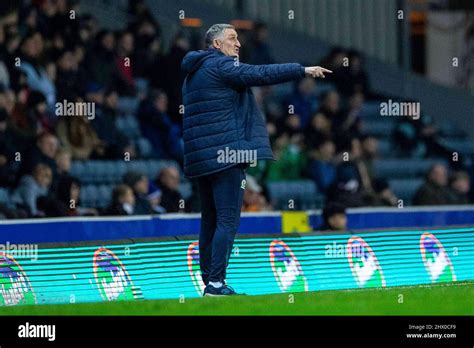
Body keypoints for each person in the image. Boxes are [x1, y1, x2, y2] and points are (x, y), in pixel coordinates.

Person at [181, 23, 331, 296]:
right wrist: (302, 70)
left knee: (210, 221)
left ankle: (209, 283)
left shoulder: (193, 73)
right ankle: (216, 284)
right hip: (226, 157)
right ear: (216, 45)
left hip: (201, 158)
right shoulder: (222, 66)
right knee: (227, 221)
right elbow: (260, 73)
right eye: (232, 39)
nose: (238, 44)